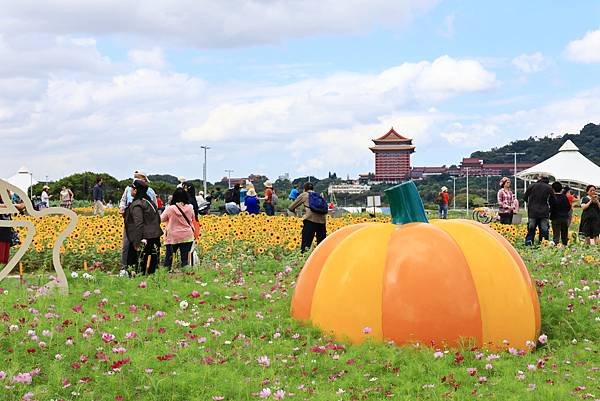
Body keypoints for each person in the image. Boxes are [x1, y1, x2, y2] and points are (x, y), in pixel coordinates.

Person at [119, 170, 157, 270]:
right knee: (127, 246)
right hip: (130, 222)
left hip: (141, 224)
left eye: (138, 177)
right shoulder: (128, 189)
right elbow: (123, 201)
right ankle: (125, 267)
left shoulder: (149, 192)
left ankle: (138, 269)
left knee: (140, 247)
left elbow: (154, 208)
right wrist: (122, 208)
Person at [124, 180, 163, 274]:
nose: (131, 190)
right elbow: (158, 219)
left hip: (143, 240)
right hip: (154, 238)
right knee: (151, 268)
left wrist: (137, 243)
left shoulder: (138, 204)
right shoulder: (150, 202)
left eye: (132, 189)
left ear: (136, 190)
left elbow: (139, 224)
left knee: (139, 269)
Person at [161, 188, 196, 269]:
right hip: (187, 235)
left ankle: (165, 275)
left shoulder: (170, 208)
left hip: (173, 236)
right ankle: (186, 277)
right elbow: (193, 218)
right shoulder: (190, 207)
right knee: (185, 260)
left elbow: (161, 219)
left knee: (169, 258)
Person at [288, 182, 327, 252]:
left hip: (310, 220)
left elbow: (291, 207)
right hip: (322, 222)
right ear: (313, 188)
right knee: (322, 246)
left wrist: (296, 212)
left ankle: (304, 260)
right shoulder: (319, 196)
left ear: (304, 189)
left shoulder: (304, 195)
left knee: (305, 246)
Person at [523, 176, 554, 246]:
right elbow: (553, 200)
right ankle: (543, 244)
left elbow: (525, 197)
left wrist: (530, 203)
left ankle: (529, 243)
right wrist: (550, 209)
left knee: (531, 229)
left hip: (532, 212)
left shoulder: (531, 186)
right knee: (544, 230)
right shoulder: (548, 187)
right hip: (544, 212)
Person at [549, 181, 571, 246]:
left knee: (556, 235)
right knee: (564, 234)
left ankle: (556, 247)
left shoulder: (552, 197)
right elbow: (568, 207)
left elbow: (551, 208)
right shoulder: (564, 197)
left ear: (553, 189)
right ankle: (565, 246)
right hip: (564, 218)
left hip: (555, 218)